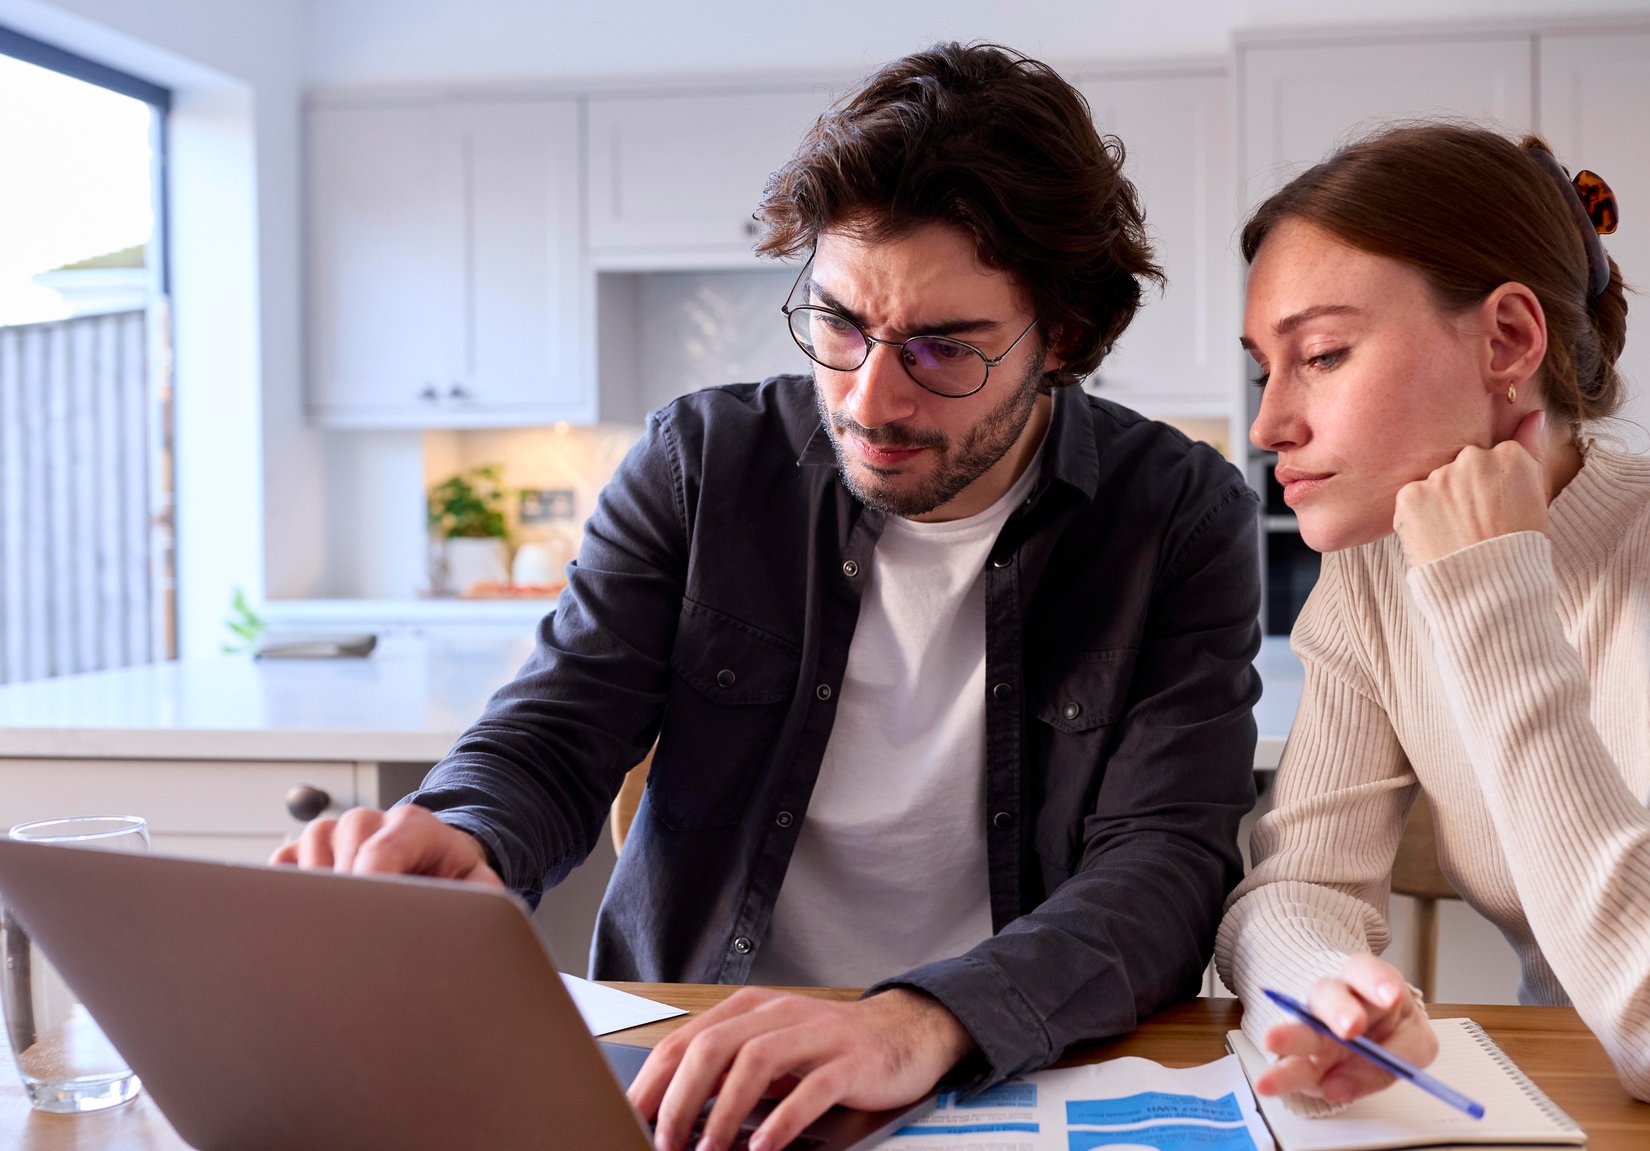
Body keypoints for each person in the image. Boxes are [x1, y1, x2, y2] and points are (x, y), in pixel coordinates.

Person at [274, 42, 1262, 1151]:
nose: (869, 396)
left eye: (943, 349)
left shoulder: (1174, 513)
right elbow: (555, 729)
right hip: (690, 1057)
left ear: (1063, 339)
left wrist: (920, 1018)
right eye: (838, 323)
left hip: (998, 1065)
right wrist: (465, 831)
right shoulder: (701, 463)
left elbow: (1165, 864)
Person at [1216, 122, 1650, 1109]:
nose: (1267, 423)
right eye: (1263, 368)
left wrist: (1492, 584)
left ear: (1505, 338)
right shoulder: (1370, 577)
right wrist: (1333, 991)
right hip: (1571, 1100)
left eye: (1320, 354)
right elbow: (1297, 887)